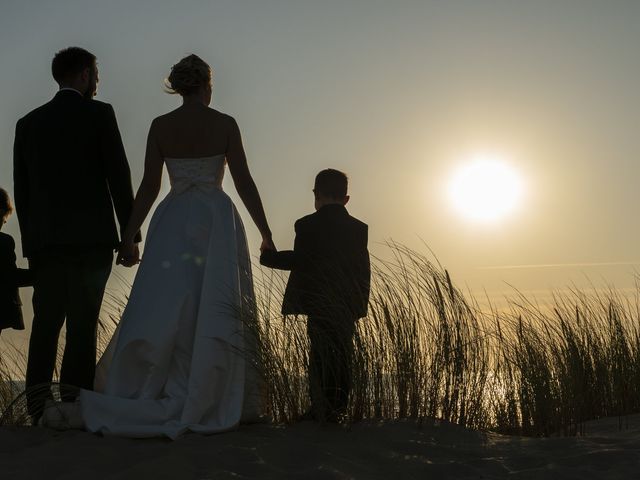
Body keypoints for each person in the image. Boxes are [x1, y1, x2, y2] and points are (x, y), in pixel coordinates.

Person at [78, 54, 274, 438]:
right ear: (206, 85)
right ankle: (213, 388)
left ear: (180, 86)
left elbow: (150, 186)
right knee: (214, 301)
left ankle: (156, 382)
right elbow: (244, 181)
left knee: (166, 302)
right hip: (216, 219)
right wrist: (265, 231)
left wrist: (129, 235)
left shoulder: (161, 126)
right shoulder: (225, 124)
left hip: (173, 219)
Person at [13, 47, 139, 419]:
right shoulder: (99, 114)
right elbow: (118, 174)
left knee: (46, 322)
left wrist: (31, 243)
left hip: (46, 244)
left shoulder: (27, 123)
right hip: (91, 240)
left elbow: (23, 191)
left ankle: (36, 406)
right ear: (84, 75)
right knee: (83, 325)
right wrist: (129, 235)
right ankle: (73, 404)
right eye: (96, 74)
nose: (98, 81)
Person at [260, 169, 370, 422]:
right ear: (346, 198)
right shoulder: (358, 229)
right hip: (345, 305)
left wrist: (269, 257)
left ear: (316, 194)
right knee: (343, 355)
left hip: (317, 303)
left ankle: (319, 408)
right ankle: (338, 409)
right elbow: (362, 269)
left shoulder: (306, 224)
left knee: (319, 356)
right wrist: (359, 304)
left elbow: (302, 261)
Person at [0, 188, 32, 336]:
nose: (5, 221)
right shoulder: (4, 242)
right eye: (5, 216)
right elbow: (10, 276)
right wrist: (38, 276)